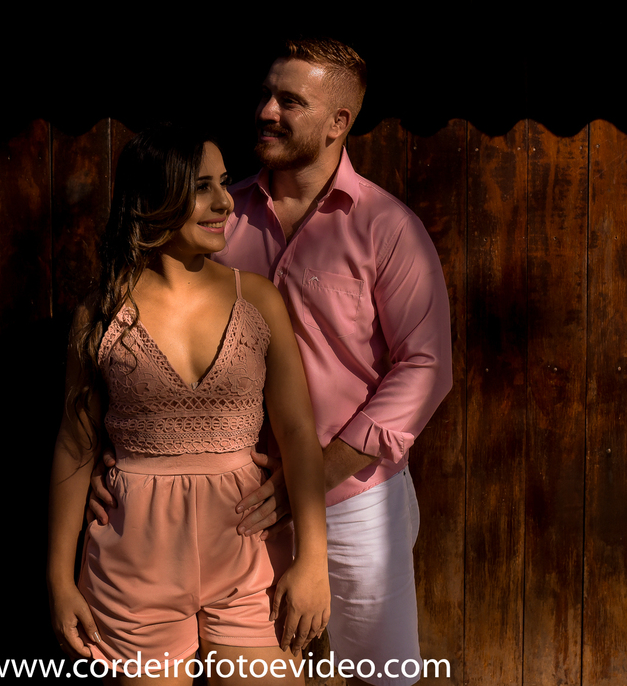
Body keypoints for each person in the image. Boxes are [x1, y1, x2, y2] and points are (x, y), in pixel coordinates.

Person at [92, 39, 452, 686]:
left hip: (355, 501)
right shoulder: (215, 216)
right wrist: (113, 466)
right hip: (235, 505)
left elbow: (426, 367)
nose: (266, 111)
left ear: (338, 122)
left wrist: (311, 476)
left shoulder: (387, 227)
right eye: (265, 94)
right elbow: (132, 334)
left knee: (380, 675)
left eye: (290, 101)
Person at [47, 124, 330, 685]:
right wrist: (58, 578)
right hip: (133, 563)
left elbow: (299, 434)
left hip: (248, 556)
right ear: (153, 198)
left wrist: (313, 562)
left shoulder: (259, 299)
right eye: (202, 187)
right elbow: (75, 446)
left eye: (224, 183)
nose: (225, 202)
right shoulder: (101, 314)